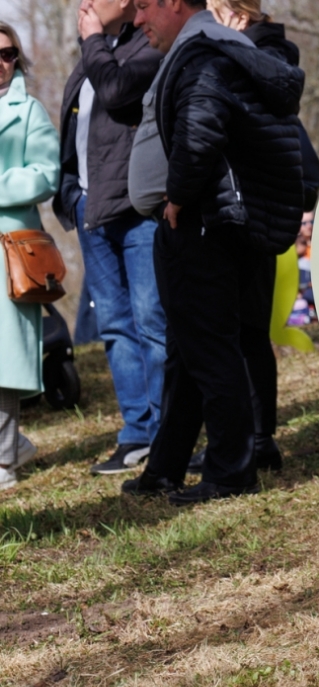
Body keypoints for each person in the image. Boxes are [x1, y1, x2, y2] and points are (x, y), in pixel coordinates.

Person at [123, 0, 305, 505]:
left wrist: (178, 196)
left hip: (201, 222)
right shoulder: (222, 49)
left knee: (210, 352)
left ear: (175, 4)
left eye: (144, 8)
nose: (138, 21)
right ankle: (164, 469)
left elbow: (202, 129)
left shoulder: (202, 55)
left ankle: (230, 473)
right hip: (221, 222)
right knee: (189, 352)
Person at [206, 0, 319, 472]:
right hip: (257, 205)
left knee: (240, 332)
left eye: (211, 10)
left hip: (249, 206)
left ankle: (251, 441)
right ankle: (256, 439)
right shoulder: (270, 54)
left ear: (234, 13)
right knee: (246, 331)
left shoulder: (250, 56)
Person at [55, 0, 165, 478]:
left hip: (137, 208)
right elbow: (76, 124)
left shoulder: (150, 43)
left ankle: (166, 434)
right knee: (115, 326)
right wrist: (70, 193)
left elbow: (118, 92)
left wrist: (92, 37)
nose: (86, 4)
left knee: (150, 321)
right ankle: (135, 434)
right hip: (91, 208)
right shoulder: (95, 51)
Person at [0, 25, 61, 493]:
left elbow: (46, 174)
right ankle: (13, 446)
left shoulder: (28, 111)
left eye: (7, 53)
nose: (1, 62)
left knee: (3, 362)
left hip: (10, 249)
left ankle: (4, 462)